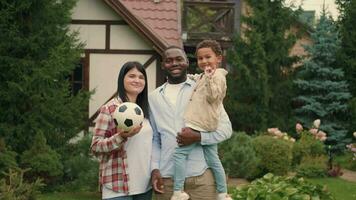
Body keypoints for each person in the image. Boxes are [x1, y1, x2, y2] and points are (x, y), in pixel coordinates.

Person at [149, 46, 233, 200]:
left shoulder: (203, 87)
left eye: (179, 59)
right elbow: (155, 138)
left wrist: (198, 137)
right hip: (168, 180)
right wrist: (154, 169)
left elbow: (226, 130)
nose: (174, 63)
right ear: (162, 65)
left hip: (202, 179)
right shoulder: (153, 98)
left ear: (187, 62)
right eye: (169, 61)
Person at [172, 40, 231, 200]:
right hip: (208, 125)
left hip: (200, 124)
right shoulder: (206, 75)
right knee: (213, 159)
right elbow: (200, 79)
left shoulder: (218, 76)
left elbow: (214, 97)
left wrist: (210, 78)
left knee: (179, 154)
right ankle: (223, 193)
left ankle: (177, 191)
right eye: (200, 58)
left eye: (208, 57)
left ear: (218, 58)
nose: (204, 61)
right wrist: (192, 76)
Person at [91, 61, 153, 200]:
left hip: (145, 186)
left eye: (141, 77)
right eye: (131, 76)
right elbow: (95, 146)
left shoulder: (147, 110)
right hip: (117, 186)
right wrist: (120, 137)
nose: (137, 80)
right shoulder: (110, 109)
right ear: (122, 79)